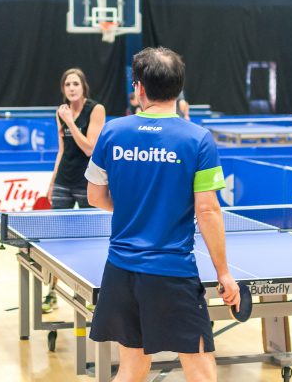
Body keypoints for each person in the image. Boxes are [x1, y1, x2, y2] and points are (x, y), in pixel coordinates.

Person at [84, 47, 240, 382]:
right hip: (172, 273)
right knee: (200, 368)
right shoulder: (198, 139)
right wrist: (224, 273)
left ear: (139, 88)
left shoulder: (112, 132)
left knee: (132, 368)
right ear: (179, 88)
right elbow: (207, 210)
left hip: (121, 270)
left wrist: (134, 207)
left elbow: (95, 196)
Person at [42, 68, 106, 313]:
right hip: (64, 181)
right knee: (56, 241)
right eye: (67, 84)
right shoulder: (60, 112)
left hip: (87, 182)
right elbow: (62, 150)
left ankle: (93, 292)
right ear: (63, 89)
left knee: (91, 240)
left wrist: (70, 122)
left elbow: (90, 148)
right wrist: (52, 182)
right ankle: (51, 293)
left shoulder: (96, 110)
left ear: (83, 86)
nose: (71, 88)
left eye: (75, 83)